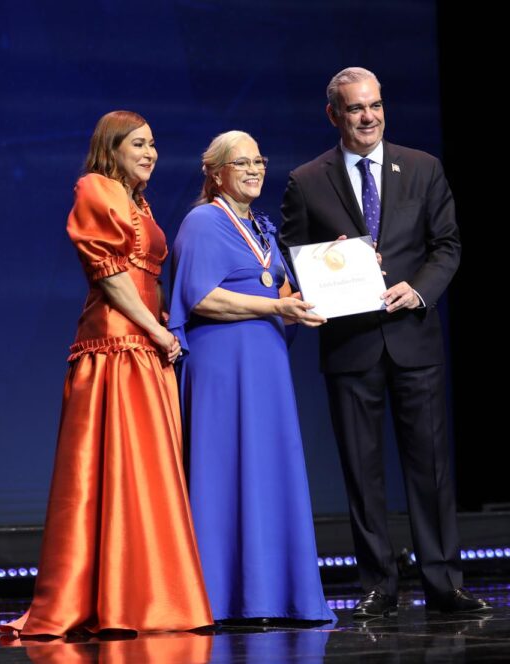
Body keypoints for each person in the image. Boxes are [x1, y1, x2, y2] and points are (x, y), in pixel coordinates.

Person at [280, 68, 491, 617]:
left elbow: (446, 245)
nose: (368, 116)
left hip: (413, 340)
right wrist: (333, 265)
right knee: (361, 469)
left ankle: (444, 582)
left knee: (431, 467)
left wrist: (418, 291)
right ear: (334, 115)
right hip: (350, 349)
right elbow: (292, 258)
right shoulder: (307, 180)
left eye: (374, 106)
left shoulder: (423, 168)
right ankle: (378, 584)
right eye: (354, 109)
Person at [0, 111, 212, 636]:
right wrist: (157, 330)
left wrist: (162, 327)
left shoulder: (139, 202)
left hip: (145, 346)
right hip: (116, 346)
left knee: (147, 476)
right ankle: (112, 599)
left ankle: (147, 597)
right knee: (113, 473)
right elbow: (113, 279)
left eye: (154, 144)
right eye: (138, 144)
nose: (150, 153)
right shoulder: (96, 189)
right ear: (110, 148)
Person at [168, 130, 335, 624]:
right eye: (242, 162)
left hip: (266, 368)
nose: (255, 169)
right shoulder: (202, 222)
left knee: (267, 471)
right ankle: (219, 597)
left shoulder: (262, 227)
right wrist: (274, 305)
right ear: (215, 172)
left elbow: (285, 294)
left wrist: (339, 269)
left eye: (259, 160)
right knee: (223, 474)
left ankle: (276, 596)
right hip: (222, 367)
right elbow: (200, 298)